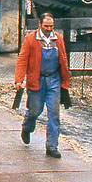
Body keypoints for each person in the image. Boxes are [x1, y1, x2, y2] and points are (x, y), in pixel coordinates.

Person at [16, 11, 72, 158]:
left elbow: (63, 59)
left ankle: (52, 147)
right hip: (37, 81)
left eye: (51, 26)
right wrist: (19, 79)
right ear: (39, 25)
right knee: (35, 111)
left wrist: (65, 81)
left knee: (54, 114)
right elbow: (22, 60)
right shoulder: (30, 39)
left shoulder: (58, 39)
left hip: (53, 80)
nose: (49, 29)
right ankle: (27, 127)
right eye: (46, 26)